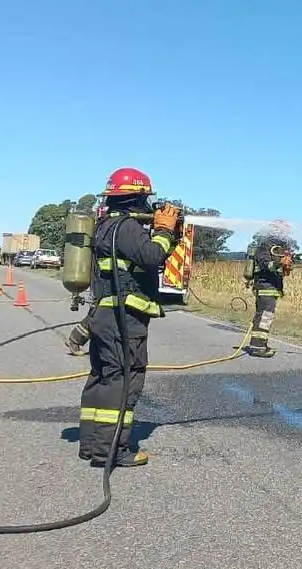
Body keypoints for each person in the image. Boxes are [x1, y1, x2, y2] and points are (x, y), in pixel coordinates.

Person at [76, 167, 182, 467]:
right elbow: (150, 255)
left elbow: (146, 258)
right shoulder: (127, 227)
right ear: (137, 197)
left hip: (106, 316)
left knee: (102, 377)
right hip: (125, 317)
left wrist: (169, 233)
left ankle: (92, 444)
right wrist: (163, 231)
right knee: (124, 380)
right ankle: (113, 449)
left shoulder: (106, 226)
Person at [245, 221, 294, 357]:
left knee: (266, 316)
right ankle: (257, 347)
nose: (285, 233)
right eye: (283, 230)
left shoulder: (280, 248)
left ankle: (261, 343)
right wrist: (280, 262)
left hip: (273, 287)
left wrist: (287, 265)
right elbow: (265, 265)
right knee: (264, 316)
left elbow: (282, 267)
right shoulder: (264, 246)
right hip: (265, 286)